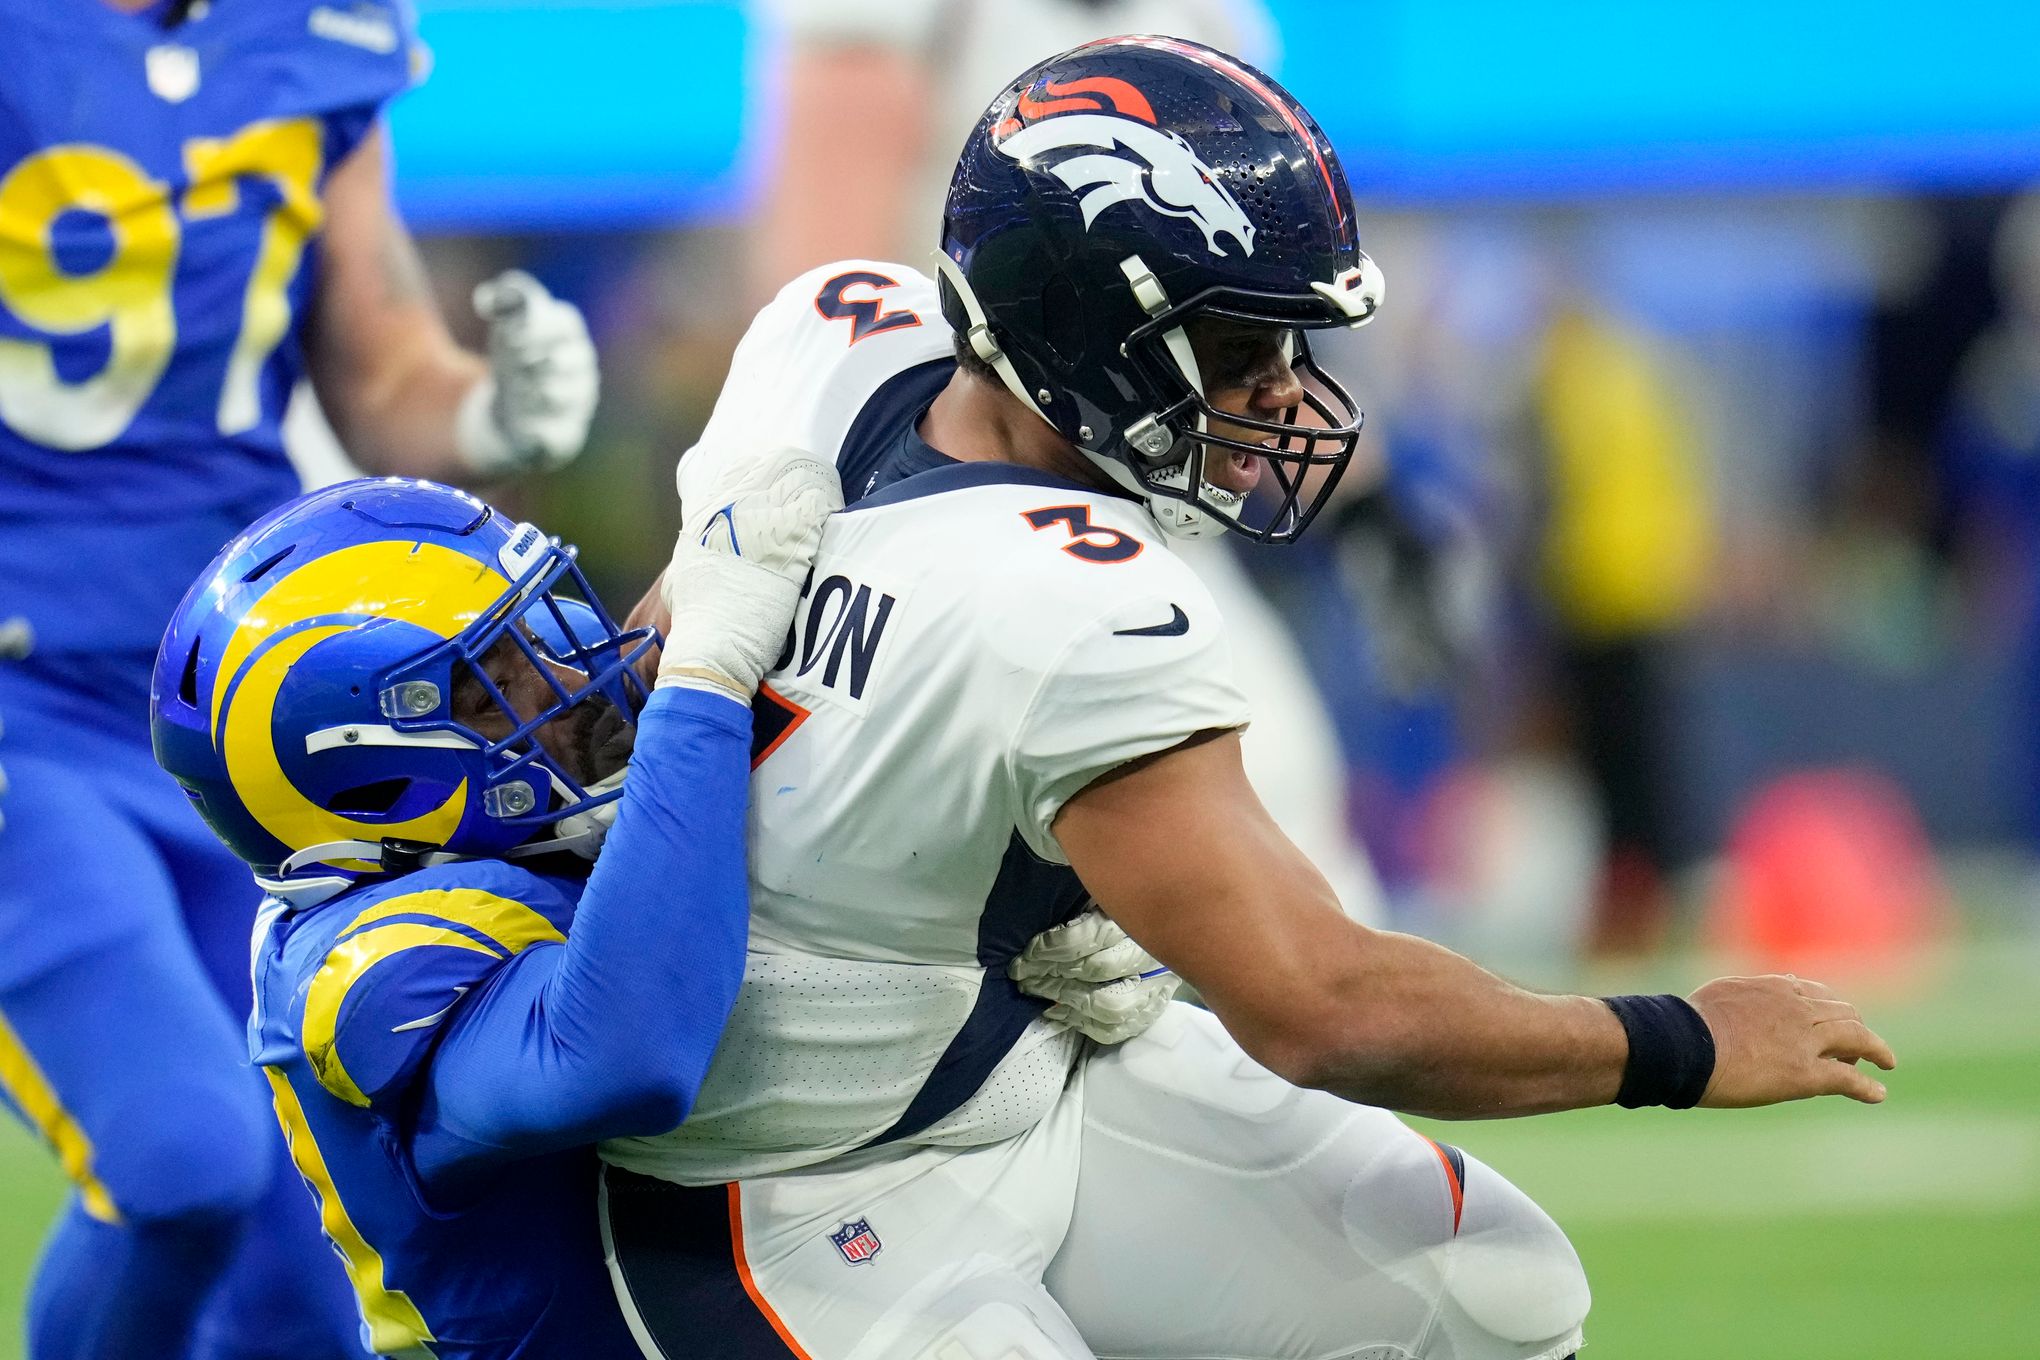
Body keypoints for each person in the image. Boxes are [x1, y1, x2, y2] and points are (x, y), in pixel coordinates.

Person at [600, 37, 1897, 1360]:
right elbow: (1325, 1007)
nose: (1277, 389)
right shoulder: (1080, 600)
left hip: (1007, 1070)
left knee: (1487, 1291)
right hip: (792, 1191)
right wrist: (1678, 1043)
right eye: (1231, 342)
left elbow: (659, 669)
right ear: (1082, 326)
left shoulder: (837, 337)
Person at [0, 3, 598, 1356]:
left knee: (305, 1278)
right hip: (18, 706)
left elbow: (383, 366)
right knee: (180, 1165)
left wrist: (486, 415)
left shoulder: (306, 35)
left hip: (238, 710)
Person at [143, 454, 833, 1359]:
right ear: (376, 780)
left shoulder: (496, 837)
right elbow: (627, 1054)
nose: (564, 674)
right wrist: (705, 688)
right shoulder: (370, 967)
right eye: (494, 681)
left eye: (529, 628)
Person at [751, 0, 1389, 927]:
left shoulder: (1203, 18)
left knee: (1281, 815)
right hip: (975, 471)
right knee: (1277, 830)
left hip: (1139, 451)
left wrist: (1369, 498)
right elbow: (829, 279)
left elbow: (1251, 292)